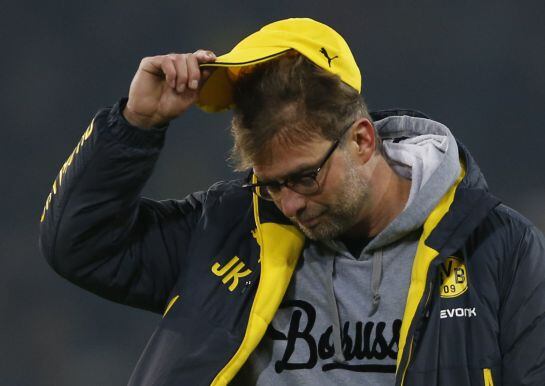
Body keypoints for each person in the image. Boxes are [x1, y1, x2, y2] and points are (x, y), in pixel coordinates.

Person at [39, 18, 545, 386]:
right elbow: (81, 246)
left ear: (363, 141)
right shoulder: (230, 228)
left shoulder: (499, 250)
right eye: (268, 184)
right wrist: (136, 125)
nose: (288, 204)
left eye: (305, 178)